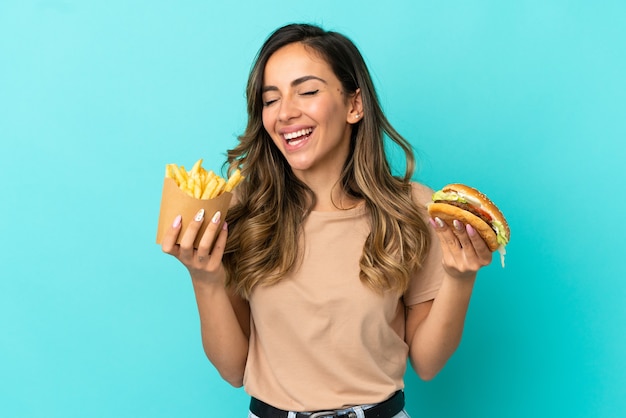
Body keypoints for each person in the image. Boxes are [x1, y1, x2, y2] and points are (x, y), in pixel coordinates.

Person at [161, 23, 493, 418]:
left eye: (308, 91)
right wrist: (204, 278)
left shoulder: (412, 209)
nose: (285, 112)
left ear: (355, 105)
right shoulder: (241, 209)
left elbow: (427, 361)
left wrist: (460, 278)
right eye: (271, 99)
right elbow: (233, 369)